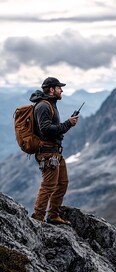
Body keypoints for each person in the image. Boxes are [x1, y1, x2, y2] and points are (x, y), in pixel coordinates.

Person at [30, 77, 79, 225]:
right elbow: (45, 130)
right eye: (59, 88)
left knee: (62, 183)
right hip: (47, 153)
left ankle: (53, 216)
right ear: (52, 89)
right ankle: (37, 219)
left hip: (55, 152)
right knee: (48, 186)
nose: (61, 90)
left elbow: (52, 129)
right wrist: (67, 124)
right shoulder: (43, 106)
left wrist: (67, 125)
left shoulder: (50, 104)